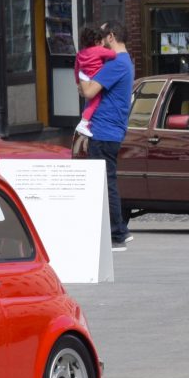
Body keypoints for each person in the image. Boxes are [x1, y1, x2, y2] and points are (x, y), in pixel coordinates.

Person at [77, 20, 135, 250]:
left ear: (111, 36)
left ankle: (117, 233)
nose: (100, 42)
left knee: (104, 182)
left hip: (104, 130)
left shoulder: (116, 63)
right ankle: (119, 231)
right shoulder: (124, 62)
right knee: (105, 180)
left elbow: (89, 91)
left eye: (102, 37)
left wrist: (81, 71)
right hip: (110, 129)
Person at [72, 24, 116, 158]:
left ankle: (85, 121)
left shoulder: (80, 53)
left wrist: (78, 82)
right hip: (94, 77)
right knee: (95, 101)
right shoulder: (98, 50)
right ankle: (84, 123)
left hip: (84, 76)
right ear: (97, 41)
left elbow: (76, 68)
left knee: (90, 102)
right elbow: (113, 54)